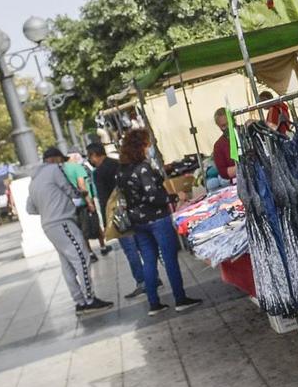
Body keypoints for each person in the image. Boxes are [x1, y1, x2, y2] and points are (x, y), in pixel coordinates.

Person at [113, 128, 201, 314]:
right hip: (157, 219)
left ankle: (154, 303)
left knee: (149, 260)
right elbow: (153, 196)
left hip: (137, 222)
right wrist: (175, 196)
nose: (150, 147)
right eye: (148, 143)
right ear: (142, 146)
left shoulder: (121, 170)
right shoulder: (142, 168)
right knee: (170, 258)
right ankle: (180, 298)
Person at [27, 146, 110, 313]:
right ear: (55, 159)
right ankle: (89, 299)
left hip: (49, 225)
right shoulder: (54, 170)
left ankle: (79, 301)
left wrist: (48, 207)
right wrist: (80, 195)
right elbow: (69, 190)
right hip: (63, 221)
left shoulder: (34, 181)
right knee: (81, 258)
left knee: (67, 264)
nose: (63, 165)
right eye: (61, 161)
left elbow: (30, 209)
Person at [211, 108, 237, 182]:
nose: (228, 127)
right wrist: (243, 167)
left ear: (233, 120)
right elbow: (223, 172)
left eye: (229, 123)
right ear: (219, 126)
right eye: (224, 126)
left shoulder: (246, 133)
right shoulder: (218, 146)